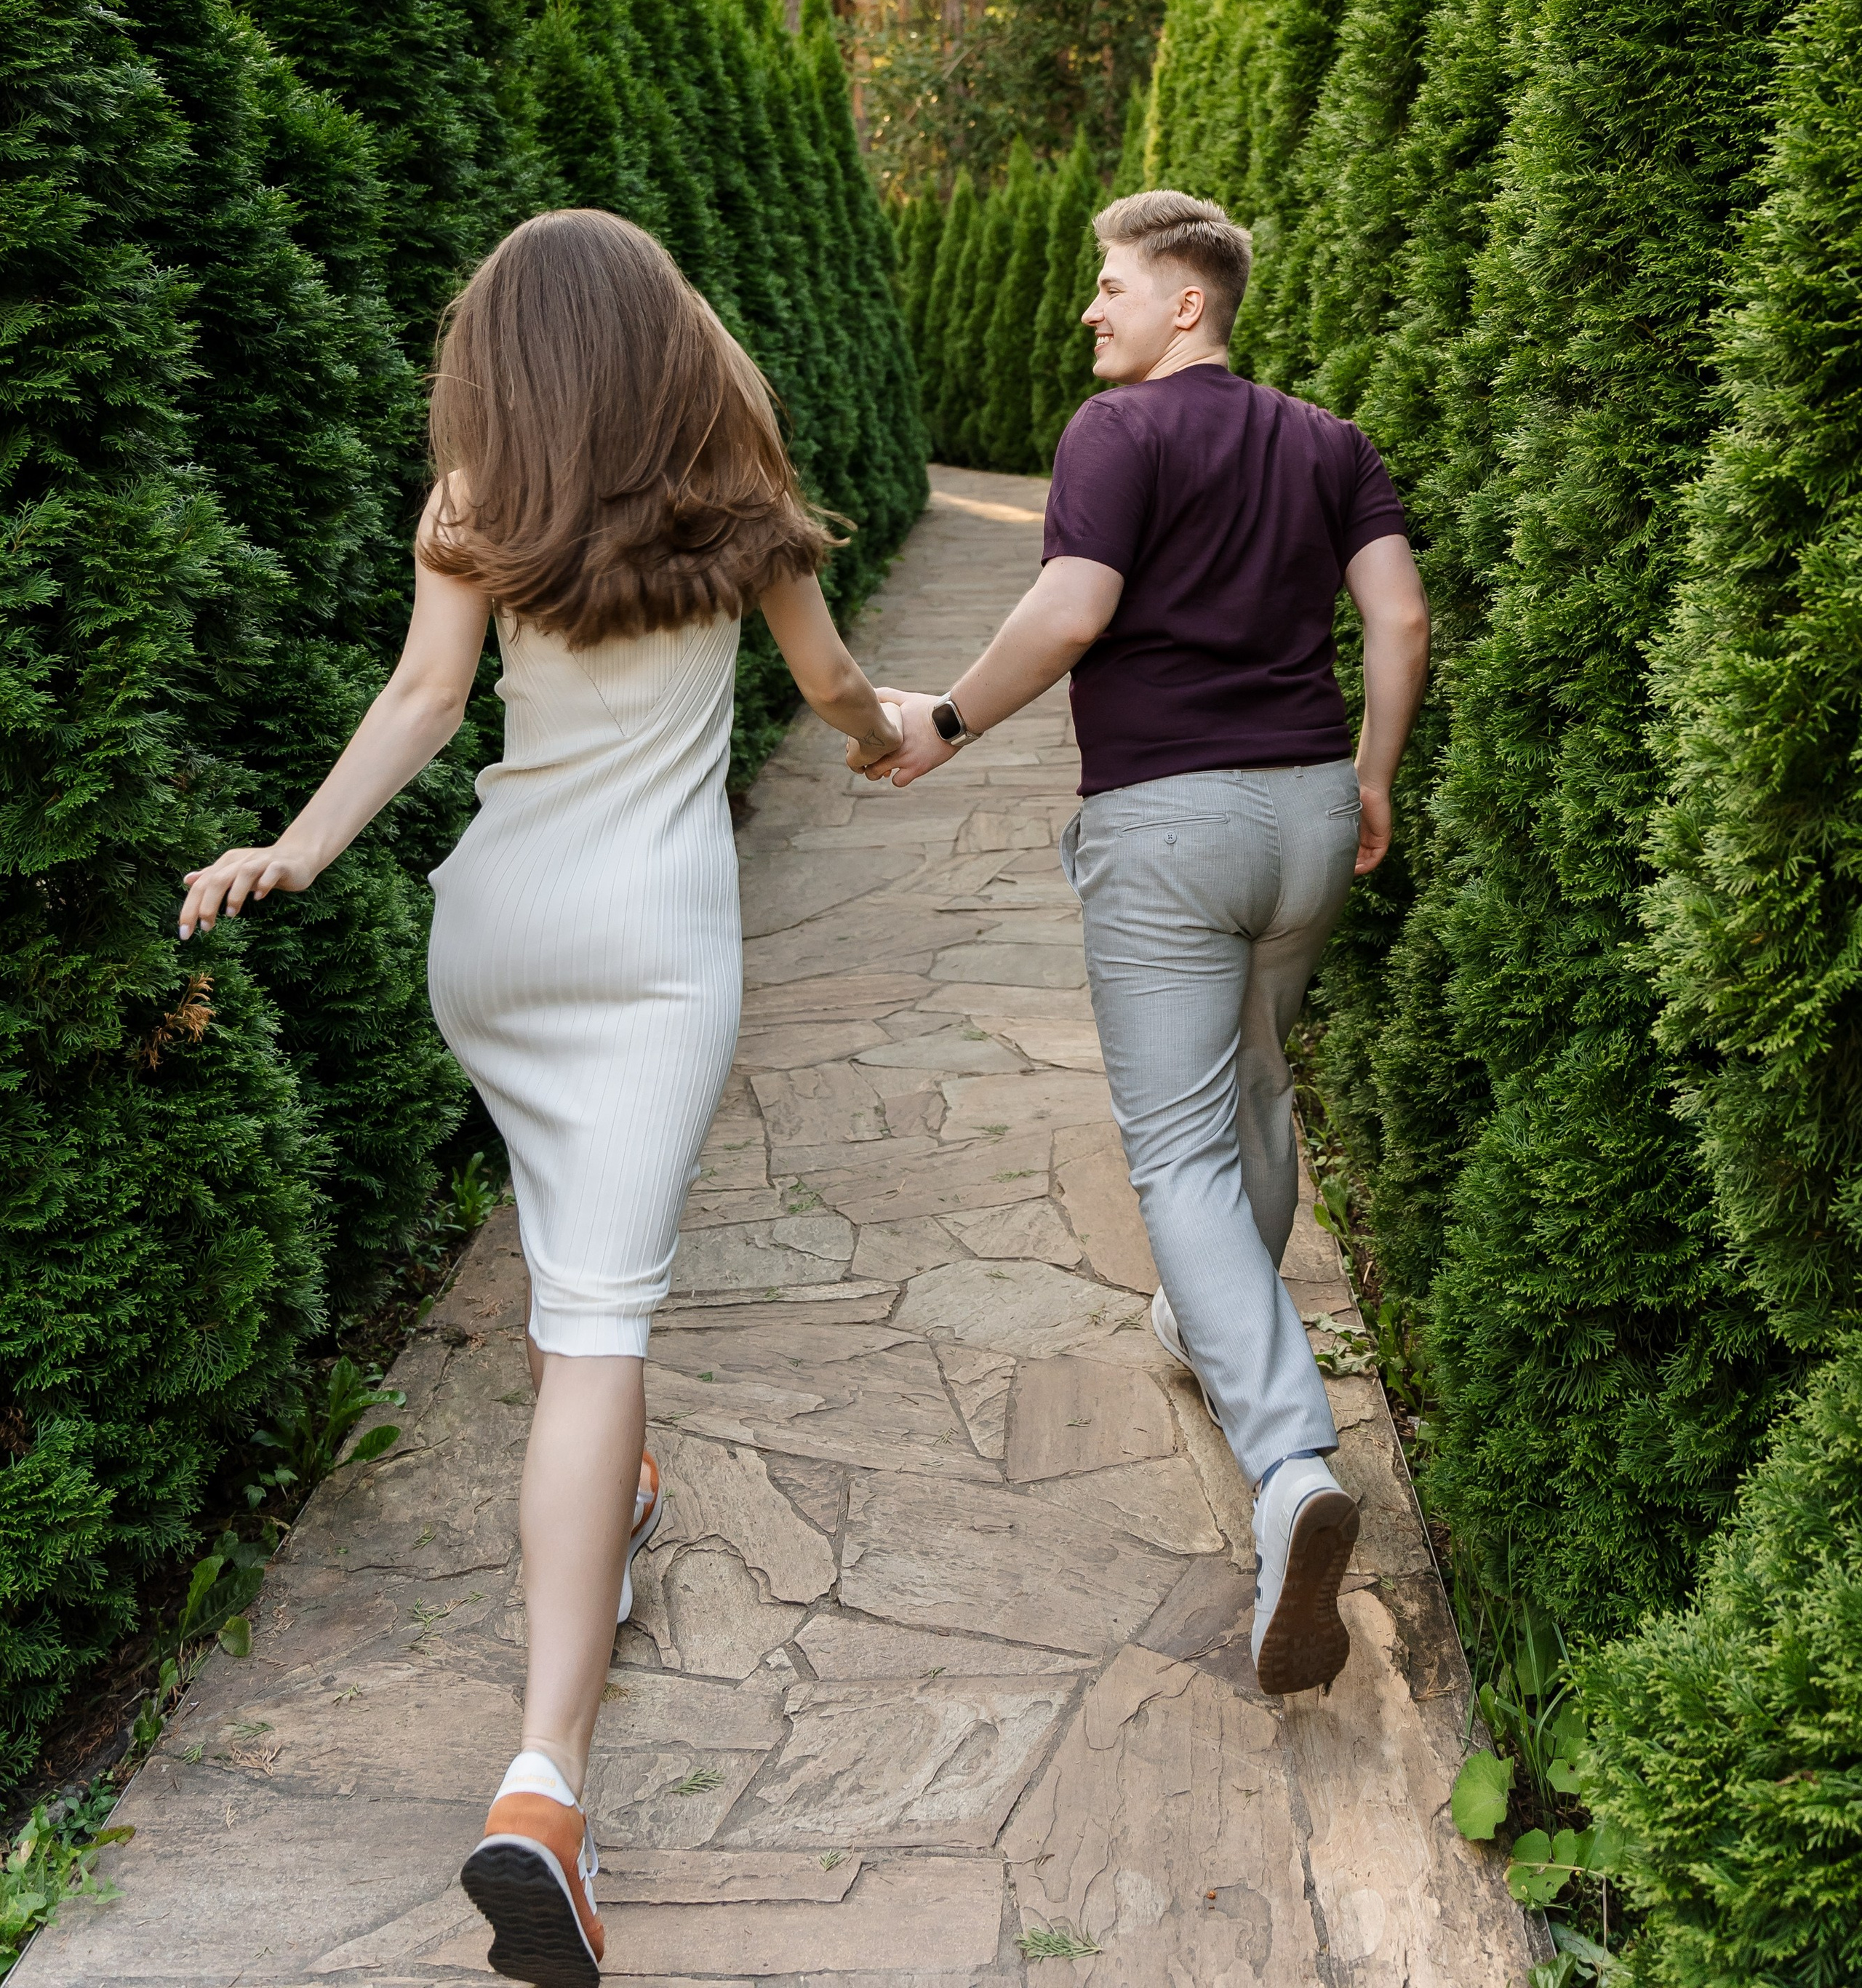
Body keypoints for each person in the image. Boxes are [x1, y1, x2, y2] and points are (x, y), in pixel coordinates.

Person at [179, 210, 902, 1988]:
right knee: (599, 1322)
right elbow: (831, 690)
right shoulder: (740, 503)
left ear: (502, 358)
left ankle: (616, 1489)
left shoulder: (472, 503)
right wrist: (895, 737)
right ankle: (544, 1788)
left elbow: (425, 696)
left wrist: (296, 847)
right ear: (670, 338)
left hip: (492, 934)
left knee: (565, 1243)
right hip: (653, 952)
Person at [868, 187, 1429, 1696]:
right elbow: (1398, 621)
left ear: (1188, 300)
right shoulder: (1330, 442)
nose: (1087, 310)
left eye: (1109, 286)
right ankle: (1208, 1321)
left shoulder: (1114, 432)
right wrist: (1373, 774)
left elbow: (1070, 610)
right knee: (1255, 1092)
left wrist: (941, 723)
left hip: (1168, 823)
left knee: (1177, 1149)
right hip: (1307, 813)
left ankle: (1288, 1464)